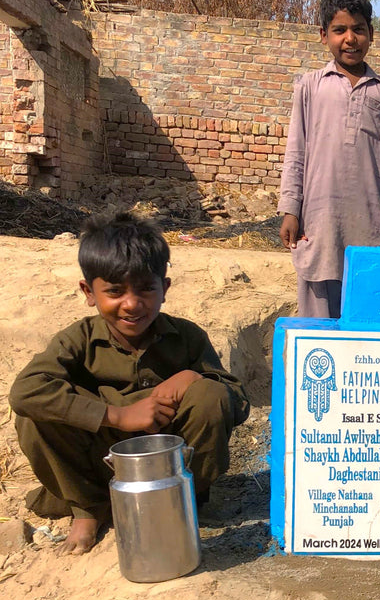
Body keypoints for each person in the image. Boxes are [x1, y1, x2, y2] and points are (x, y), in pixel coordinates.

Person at [9, 212, 250, 555]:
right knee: (34, 413)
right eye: (115, 291)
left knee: (212, 395)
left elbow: (238, 399)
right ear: (89, 292)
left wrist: (195, 376)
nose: (132, 304)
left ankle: (181, 504)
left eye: (146, 289)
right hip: (96, 460)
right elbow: (25, 391)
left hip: (170, 465)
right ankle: (89, 509)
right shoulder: (78, 339)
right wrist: (118, 416)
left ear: (164, 289)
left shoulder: (187, 337)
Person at [278, 0, 380, 319]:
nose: (350, 38)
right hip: (318, 218)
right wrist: (291, 208)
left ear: (371, 34)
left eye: (358, 29)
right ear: (324, 35)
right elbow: (296, 151)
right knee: (316, 316)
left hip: (370, 220)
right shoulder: (310, 86)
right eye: (340, 30)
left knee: (364, 312)